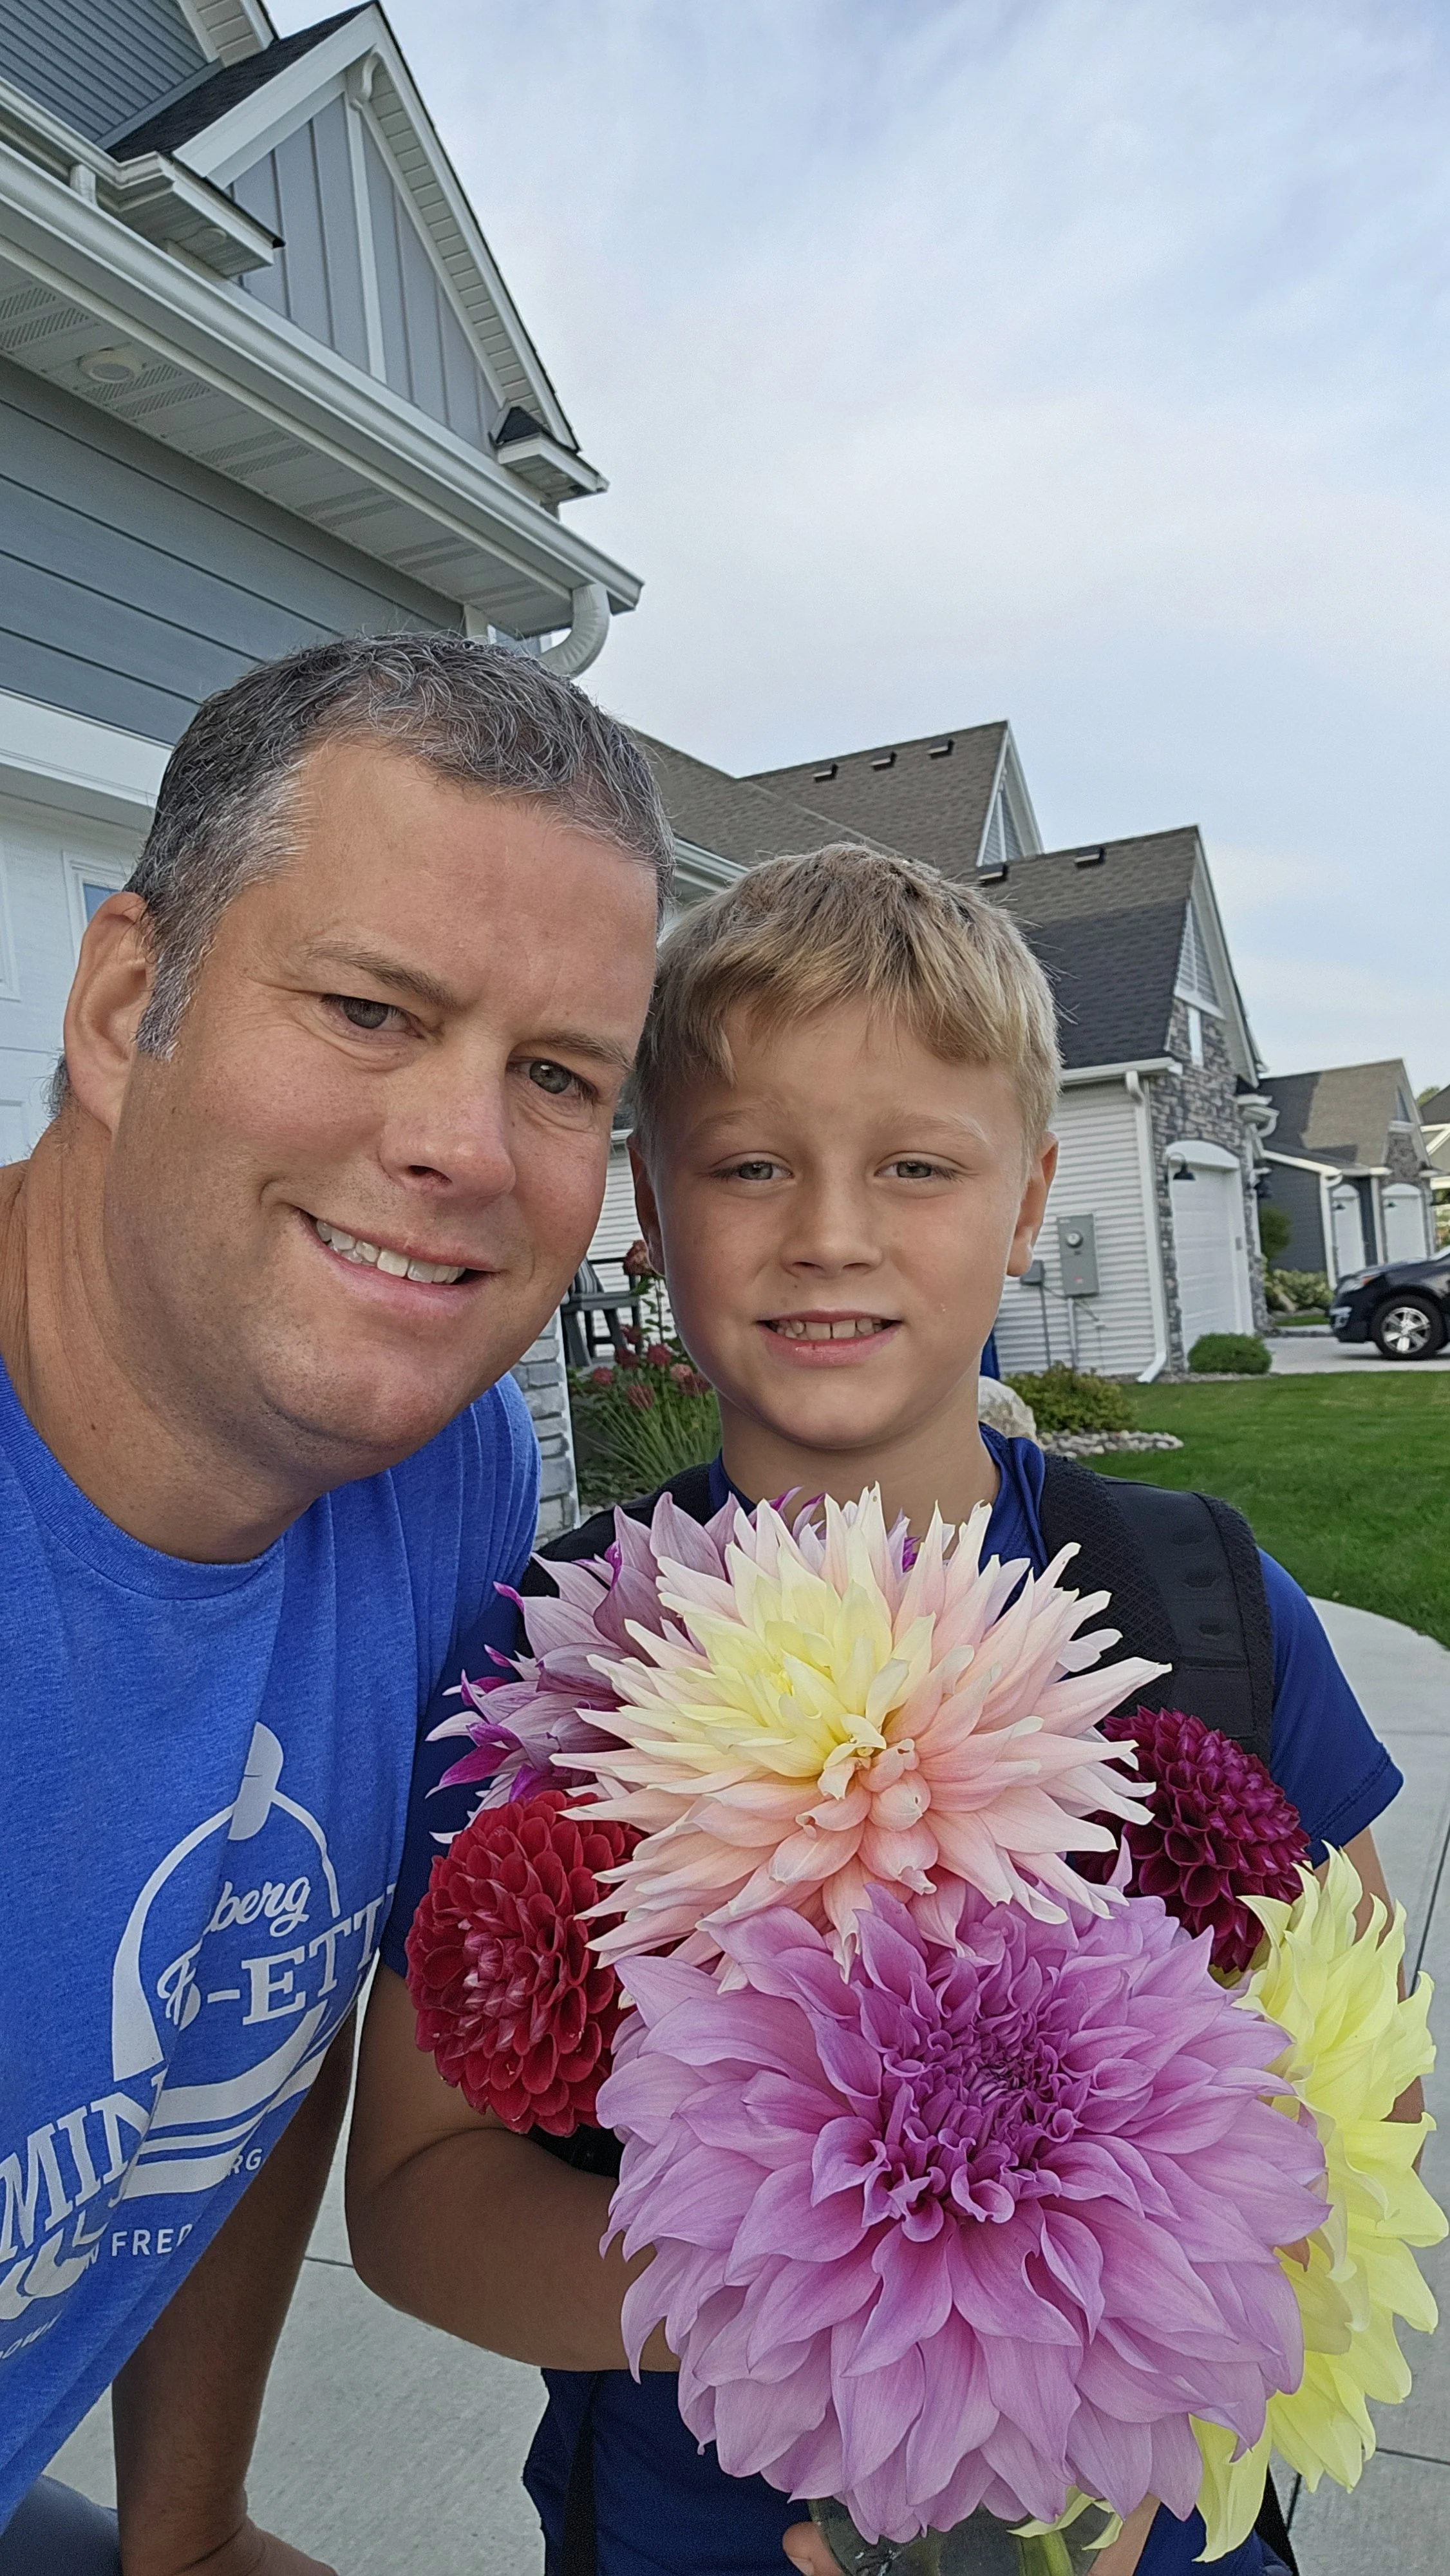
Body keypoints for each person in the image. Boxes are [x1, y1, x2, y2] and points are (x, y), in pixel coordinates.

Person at [346, 844, 1417, 2576]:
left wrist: (1126, 2366)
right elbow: (409, 2195)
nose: (828, 1233)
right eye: (749, 1165)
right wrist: (822, 2323)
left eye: (914, 1167)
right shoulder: (542, 1676)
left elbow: (1368, 2094)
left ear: (1023, 1201)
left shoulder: (1197, 1604)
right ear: (652, 1201)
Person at [0, 636, 668, 2574]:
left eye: (556, 1075)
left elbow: (254, 2011)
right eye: (373, 1009)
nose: (464, 1148)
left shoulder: (440, 1479)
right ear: (130, 1005)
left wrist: (188, 2532)